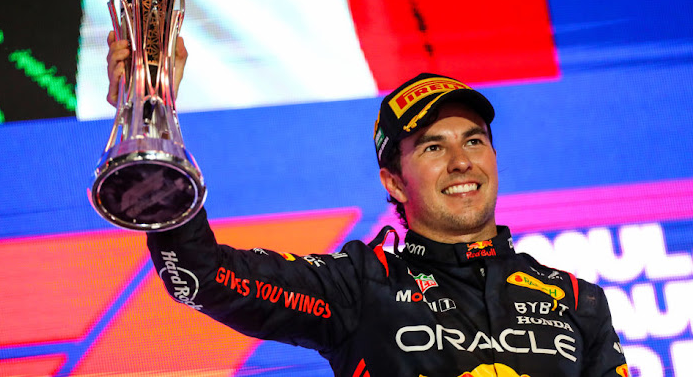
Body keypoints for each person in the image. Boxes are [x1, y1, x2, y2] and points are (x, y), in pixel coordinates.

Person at [106, 32, 629, 377]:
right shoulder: (358, 285)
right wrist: (153, 120)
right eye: (432, 147)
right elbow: (200, 277)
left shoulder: (578, 301)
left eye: (473, 141)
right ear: (395, 183)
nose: (461, 161)